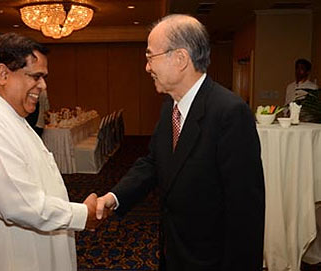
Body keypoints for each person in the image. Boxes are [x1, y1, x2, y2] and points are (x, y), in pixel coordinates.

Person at [96, 14, 265, 271]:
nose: (147, 67)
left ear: (180, 58)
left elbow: (245, 211)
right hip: (174, 250)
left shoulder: (229, 112)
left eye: (150, 57)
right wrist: (115, 197)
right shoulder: (170, 107)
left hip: (211, 259)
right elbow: (154, 162)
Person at [0, 32, 99, 271]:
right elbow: (20, 205)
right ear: (3, 74)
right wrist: (83, 215)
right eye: (36, 76)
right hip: (9, 259)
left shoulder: (12, 116)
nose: (43, 86)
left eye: (44, 77)